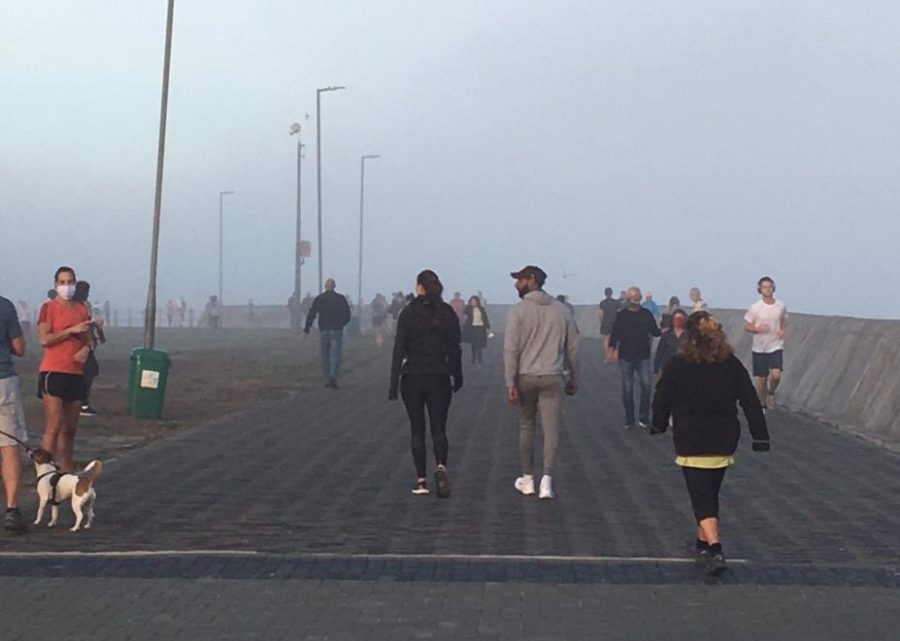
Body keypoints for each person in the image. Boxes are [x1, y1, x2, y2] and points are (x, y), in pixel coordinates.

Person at [651, 311, 770, 576]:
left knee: (700, 497)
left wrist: (658, 425)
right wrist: (760, 437)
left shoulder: (678, 364)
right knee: (710, 492)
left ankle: (715, 549)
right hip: (723, 439)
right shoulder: (731, 364)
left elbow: (662, 398)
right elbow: (750, 401)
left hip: (691, 439)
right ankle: (701, 544)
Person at [504, 265, 579, 500]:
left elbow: (510, 349)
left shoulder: (518, 310)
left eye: (520, 280)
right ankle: (547, 480)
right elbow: (573, 347)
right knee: (550, 428)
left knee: (527, 425)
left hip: (526, 375)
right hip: (553, 375)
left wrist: (510, 382)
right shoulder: (562, 310)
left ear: (532, 280)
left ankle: (527, 479)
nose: (516, 284)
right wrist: (574, 376)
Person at [389, 270, 462, 497]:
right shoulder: (447, 313)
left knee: (417, 429)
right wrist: (457, 376)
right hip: (439, 375)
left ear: (419, 287)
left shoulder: (408, 313)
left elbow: (399, 349)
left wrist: (393, 383)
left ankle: (421, 481)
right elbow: (454, 349)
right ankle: (440, 465)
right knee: (439, 428)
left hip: (412, 376)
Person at [37, 266, 92, 473]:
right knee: (54, 425)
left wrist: (86, 348)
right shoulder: (48, 308)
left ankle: (66, 475)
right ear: (55, 285)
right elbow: (44, 339)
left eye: (69, 282)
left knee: (69, 431)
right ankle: (44, 474)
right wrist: (71, 330)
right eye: (62, 282)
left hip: (76, 372)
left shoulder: (81, 309)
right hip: (54, 370)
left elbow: (88, 339)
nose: (66, 286)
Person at [608, 286, 661, 429]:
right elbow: (615, 333)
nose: (635, 300)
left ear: (640, 298)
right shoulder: (621, 315)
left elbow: (655, 331)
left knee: (647, 387)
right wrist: (611, 350)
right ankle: (629, 419)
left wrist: (665, 329)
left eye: (637, 298)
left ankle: (643, 417)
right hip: (626, 356)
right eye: (633, 297)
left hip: (643, 356)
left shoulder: (646, 314)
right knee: (627, 389)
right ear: (628, 299)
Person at [0, 293, 27, 532]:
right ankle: (11, 508)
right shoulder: (5, 306)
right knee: (9, 446)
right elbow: (19, 348)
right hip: (3, 382)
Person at [743, 276, 787, 410]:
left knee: (776, 375)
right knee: (762, 380)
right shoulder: (755, 308)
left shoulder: (780, 305)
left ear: (774, 288)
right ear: (760, 290)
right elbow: (746, 325)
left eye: (769, 286)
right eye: (764, 287)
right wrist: (757, 329)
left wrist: (782, 331)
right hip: (759, 348)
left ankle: (771, 392)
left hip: (775, 345)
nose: (767, 289)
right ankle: (762, 404)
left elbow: (784, 320)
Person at [303, 279, 352, 388]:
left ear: (325, 286)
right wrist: (341, 323)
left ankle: (327, 378)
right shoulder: (340, 299)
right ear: (334, 286)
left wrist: (307, 328)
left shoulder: (320, 299)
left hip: (324, 330)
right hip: (337, 329)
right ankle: (333, 375)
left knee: (325, 355)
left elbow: (312, 314)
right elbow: (348, 314)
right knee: (336, 355)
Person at [73, 281, 105, 417]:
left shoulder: (84, 305)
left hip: (86, 343)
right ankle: (82, 403)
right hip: (82, 345)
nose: (88, 294)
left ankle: (79, 402)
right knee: (88, 372)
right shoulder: (78, 306)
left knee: (88, 372)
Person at [654, 308, 687, 378]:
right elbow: (660, 352)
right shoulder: (666, 334)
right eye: (676, 318)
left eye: (680, 318)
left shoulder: (689, 335)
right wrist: (656, 369)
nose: (678, 320)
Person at [462, 295, 491, 365]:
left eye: (474, 301)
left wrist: (487, 327)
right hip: (472, 328)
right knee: (474, 344)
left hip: (480, 327)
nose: (473, 302)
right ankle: (473, 359)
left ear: (477, 302)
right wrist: (464, 325)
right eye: (472, 301)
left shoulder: (481, 309)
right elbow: (465, 317)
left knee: (480, 344)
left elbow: (485, 318)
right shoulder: (468, 308)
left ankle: (480, 359)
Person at [597, 287, 620, 361]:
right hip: (615, 323)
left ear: (605, 293)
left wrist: (602, 321)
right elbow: (619, 313)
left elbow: (600, 314)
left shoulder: (602, 303)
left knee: (606, 340)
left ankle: (607, 357)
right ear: (611, 293)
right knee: (616, 340)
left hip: (606, 323)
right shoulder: (616, 302)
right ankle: (615, 356)